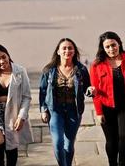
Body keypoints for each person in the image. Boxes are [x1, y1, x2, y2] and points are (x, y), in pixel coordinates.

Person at [89, 31, 125, 166]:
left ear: (119, 43)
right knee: (112, 141)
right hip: (107, 107)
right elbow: (95, 90)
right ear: (103, 48)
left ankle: (122, 163)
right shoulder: (97, 64)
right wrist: (99, 112)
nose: (111, 49)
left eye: (113, 45)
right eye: (107, 47)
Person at [0, 44, 33, 166]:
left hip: (13, 114)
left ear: (8, 55)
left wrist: (21, 117)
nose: (2, 61)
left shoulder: (20, 71)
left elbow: (27, 97)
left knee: (11, 148)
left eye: (3, 57)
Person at [39, 38, 91, 166]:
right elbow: (43, 91)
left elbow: (87, 88)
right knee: (58, 143)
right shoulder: (49, 70)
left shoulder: (81, 69)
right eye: (64, 48)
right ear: (58, 51)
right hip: (55, 110)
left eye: (70, 48)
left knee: (68, 145)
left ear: (74, 51)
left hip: (74, 110)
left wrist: (90, 90)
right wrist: (43, 110)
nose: (67, 51)